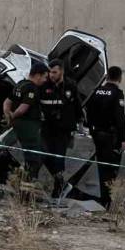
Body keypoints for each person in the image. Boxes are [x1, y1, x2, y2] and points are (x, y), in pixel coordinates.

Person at [40, 59, 82, 199]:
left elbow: (77, 106)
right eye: (50, 72)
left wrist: (79, 124)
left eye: (54, 72)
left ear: (61, 72)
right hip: (47, 128)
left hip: (63, 129)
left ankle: (58, 188)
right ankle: (61, 182)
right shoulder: (44, 85)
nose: (51, 75)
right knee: (44, 155)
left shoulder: (71, 86)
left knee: (59, 159)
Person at [85, 66, 125, 208]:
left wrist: (92, 130)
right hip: (111, 137)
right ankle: (107, 201)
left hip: (97, 135)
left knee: (101, 167)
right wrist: (122, 139)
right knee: (111, 168)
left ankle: (104, 198)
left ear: (107, 76)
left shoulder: (96, 91)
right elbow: (120, 118)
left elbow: (88, 113)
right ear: (120, 78)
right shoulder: (117, 93)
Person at [3, 60, 49, 181]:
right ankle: (27, 182)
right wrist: (13, 115)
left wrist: (8, 114)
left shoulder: (20, 84)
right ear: (38, 75)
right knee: (34, 158)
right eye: (44, 77)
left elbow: (7, 102)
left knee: (43, 151)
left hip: (21, 126)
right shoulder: (32, 88)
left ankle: (23, 177)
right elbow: (23, 108)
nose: (45, 81)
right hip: (28, 127)